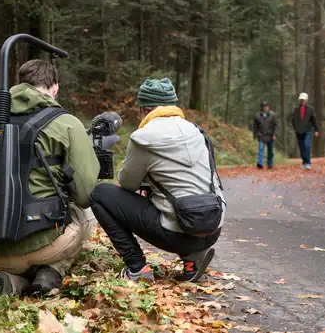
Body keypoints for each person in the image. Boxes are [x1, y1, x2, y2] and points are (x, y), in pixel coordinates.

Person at [0, 59, 100, 305]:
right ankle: (53, 270)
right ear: (54, 87)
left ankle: (12, 281)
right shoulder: (66, 122)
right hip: (48, 245)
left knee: (14, 262)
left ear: (20, 84)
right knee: (87, 211)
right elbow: (84, 193)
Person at [90, 78, 225, 283]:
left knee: (100, 195)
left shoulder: (143, 137)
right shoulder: (197, 131)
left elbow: (127, 184)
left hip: (176, 235)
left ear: (144, 110)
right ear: (173, 105)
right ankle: (193, 259)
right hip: (213, 225)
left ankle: (137, 267)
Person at [289, 92, 319, 170]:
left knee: (307, 145)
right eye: (301, 100)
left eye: (304, 100)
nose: (302, 101)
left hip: (307, 130)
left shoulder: (310, 109)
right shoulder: (296, 110)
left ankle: (308, 163)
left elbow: (314, 120)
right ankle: (304, 161)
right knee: (301, 147)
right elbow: (293, 120)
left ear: (306, 100)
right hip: (299, 131)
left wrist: (316, 130)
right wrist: (295, 128)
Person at [252, 101, 279, 169]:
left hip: (270, 135)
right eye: (264, 106)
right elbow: (255, 126)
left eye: (266, 106)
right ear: (262, 107)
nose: (266, 107)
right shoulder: (257, 115)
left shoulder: (272, 115)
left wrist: (274, 134)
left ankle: (269, 164)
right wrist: (255, 134)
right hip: (261, 135)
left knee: (270, 151)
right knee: (261, 149)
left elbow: (276, 125)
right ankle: (260, 164)